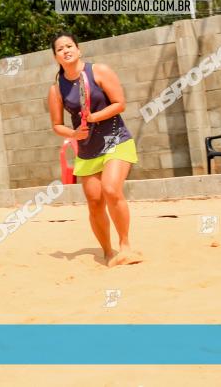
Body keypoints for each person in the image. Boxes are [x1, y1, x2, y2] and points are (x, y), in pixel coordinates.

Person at [48, 32, 143, 267]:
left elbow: (120, 103)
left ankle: (125, 246)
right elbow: (57, 125)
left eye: (69, 46)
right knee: (94, 201)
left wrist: (94, 116)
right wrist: (73, 134)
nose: (66, 50)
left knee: (111, 189)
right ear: (56, 57)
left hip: (116, 140)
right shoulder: (56, 89)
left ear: (79, 50)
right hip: (87, 149)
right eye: (60, 49)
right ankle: (107, 252)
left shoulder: (99, 71)